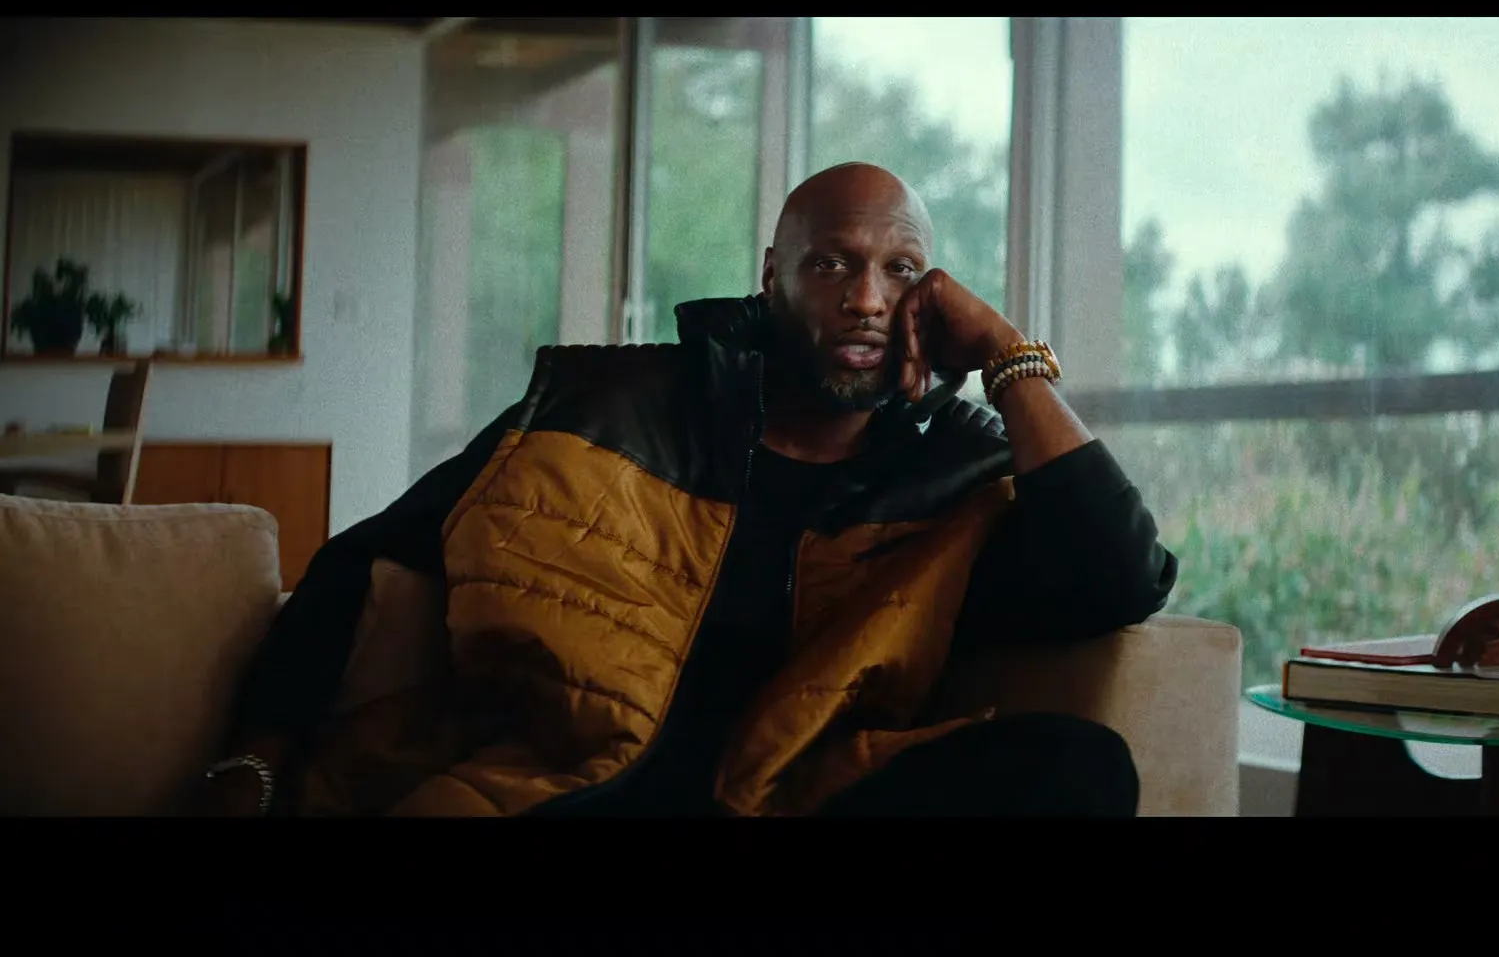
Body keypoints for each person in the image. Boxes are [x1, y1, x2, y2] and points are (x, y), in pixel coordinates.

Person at [193, 161, 1177, 818]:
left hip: (795, 796)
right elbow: (366, 557)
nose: (867, 298)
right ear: (771, 277)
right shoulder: (602, 408)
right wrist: (257, 755)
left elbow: (1122, 579)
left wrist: (1008, 356)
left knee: (1080, 767)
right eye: (831, 263)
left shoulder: (951, 471)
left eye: (901, 269)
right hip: (565, 788)